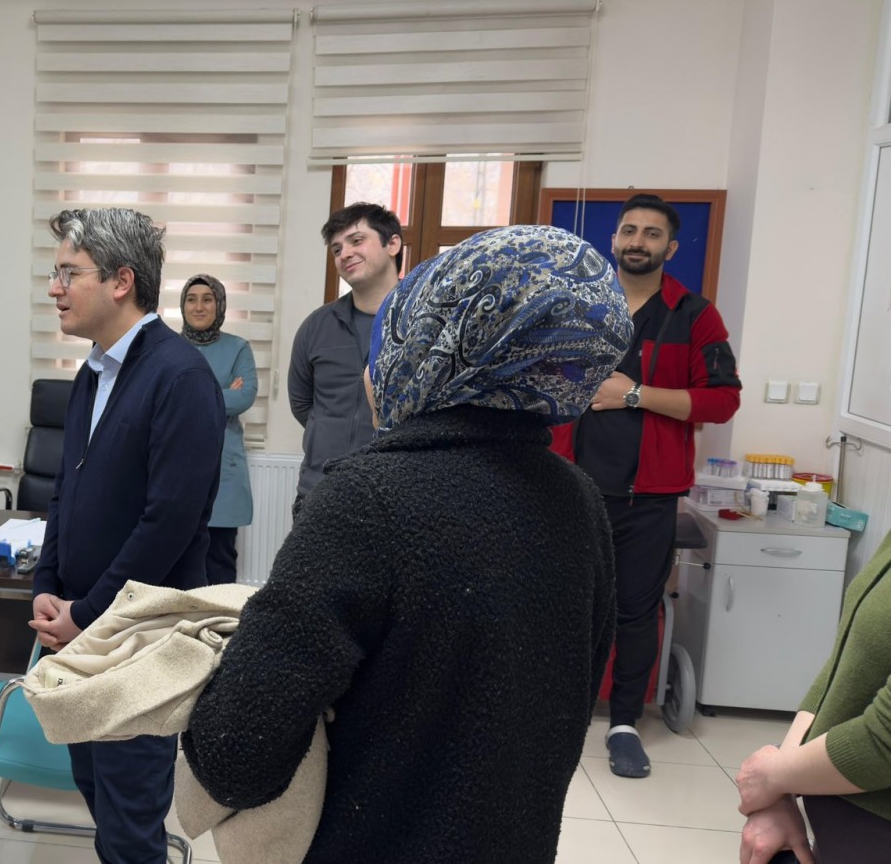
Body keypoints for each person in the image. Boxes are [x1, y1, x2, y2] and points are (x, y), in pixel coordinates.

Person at [182, 225, 629, 864]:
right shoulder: (578, 499)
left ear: (428, 345)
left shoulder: (367, 499)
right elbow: (566, 701)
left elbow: (235, 756)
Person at [29, 207, 225, 864]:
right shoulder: (93, 372)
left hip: (140, 636)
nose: (55, 287)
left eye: (69, 273)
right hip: (85, 629)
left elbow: (169, 523)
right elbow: (67, 492)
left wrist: (87, 612)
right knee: (95, 789)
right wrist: (48, 583)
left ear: (120, 281)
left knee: (131, 815)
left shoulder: (180, 376)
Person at [550, 193, 743, 779]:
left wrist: (633, 394)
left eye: (652, 233)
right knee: (561, 607)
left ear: (671, 247)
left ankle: (625, 724)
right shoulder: (576, 305)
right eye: (629, 230)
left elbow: (721, 400)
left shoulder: (694, 315)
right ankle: (553, 712)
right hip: (569, 489)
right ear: (613, 240)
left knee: (635, 612)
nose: (638, 241)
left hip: (648, 497)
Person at [734, 529, 891, 864]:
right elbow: (847, 662)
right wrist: (781, 790)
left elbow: (886, 739)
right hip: (838, 828)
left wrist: (774, 776)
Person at [287, 201, 403, 513]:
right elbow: (303, 405)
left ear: (393, 244)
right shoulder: (317, 326)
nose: (345, 254)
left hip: (393, 498)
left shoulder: (423, 323)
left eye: (356, 240)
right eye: (337, 249)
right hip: (319, 493)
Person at [179, 273, 257, 585]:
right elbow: (161, 399)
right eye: (191, 299)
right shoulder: (169, 347)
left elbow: (244, 396)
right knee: (176, 565)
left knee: (219, 565)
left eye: (207, 299)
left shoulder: (238, 348)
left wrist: (189, 398)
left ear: (220, 304)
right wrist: (221, 393)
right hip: (176, 471)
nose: (199, 307)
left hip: (223, 472)